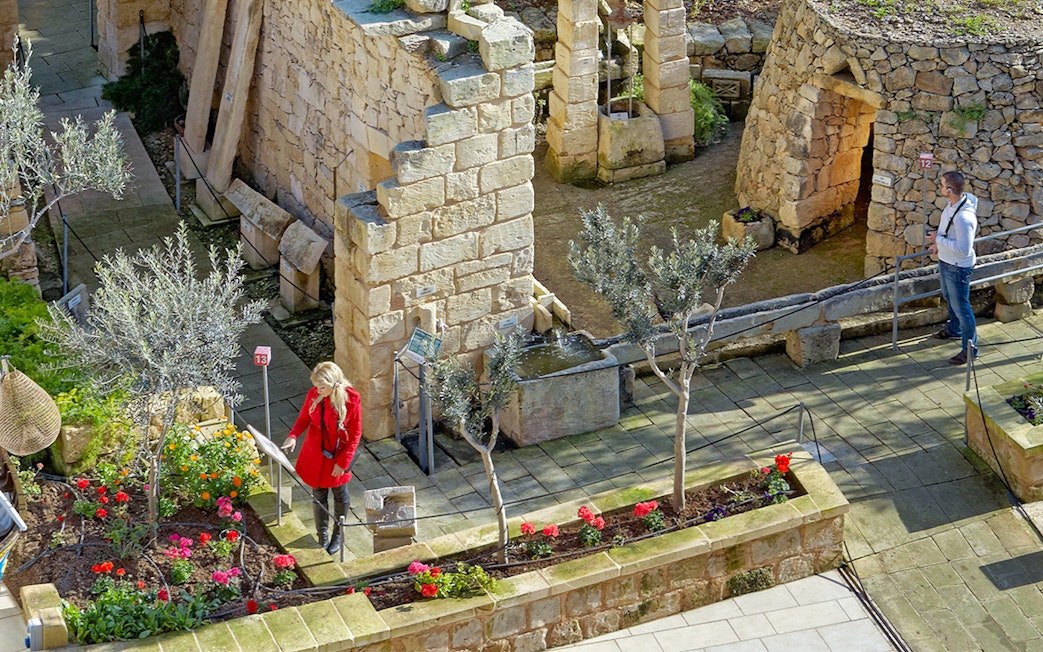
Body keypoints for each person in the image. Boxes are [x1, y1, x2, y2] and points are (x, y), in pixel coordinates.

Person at [281, 361, 362, 554]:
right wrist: (292, 436)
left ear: (334, 384)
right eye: (316, 386)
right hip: (316, 455)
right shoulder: (314, 395)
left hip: (338, 456)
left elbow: (356, 434)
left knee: (340, 495)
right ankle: (322, 535)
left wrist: (342, 463)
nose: (318, 390)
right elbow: (303, 419)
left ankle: (337, 534)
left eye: (322, 387)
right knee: (318, 495)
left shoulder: (351, 400)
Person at [926, 170, 979, 365]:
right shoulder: (953, 204)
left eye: (941, 185)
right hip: (946, 261)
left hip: (957, 267)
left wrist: (938, 239)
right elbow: (948, 233)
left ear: (949, 190)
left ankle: (970, 350)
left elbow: (964, 250)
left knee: (962, 308)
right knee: (949, 298)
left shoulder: (964, 218)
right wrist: (938, 244)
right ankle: (954, 330)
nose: (939, 188)